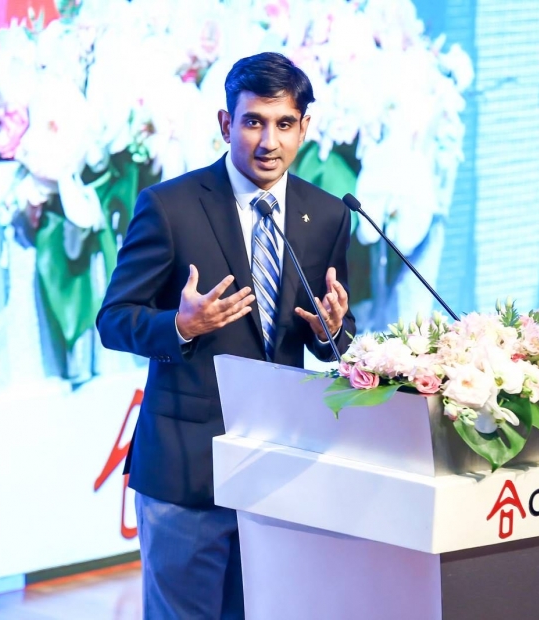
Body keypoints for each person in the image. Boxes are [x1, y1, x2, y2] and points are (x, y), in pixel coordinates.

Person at [96, 52, 355, 619]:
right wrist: (180, 325)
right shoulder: (170, 207)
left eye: (284, 123)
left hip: (277, 469)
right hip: (186, 472)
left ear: (304, 128)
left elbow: (334, 333)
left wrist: (333, 331)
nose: (269, 141)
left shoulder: (326, 215)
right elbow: (113, 319)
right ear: (225, 123)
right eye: (253, 121)